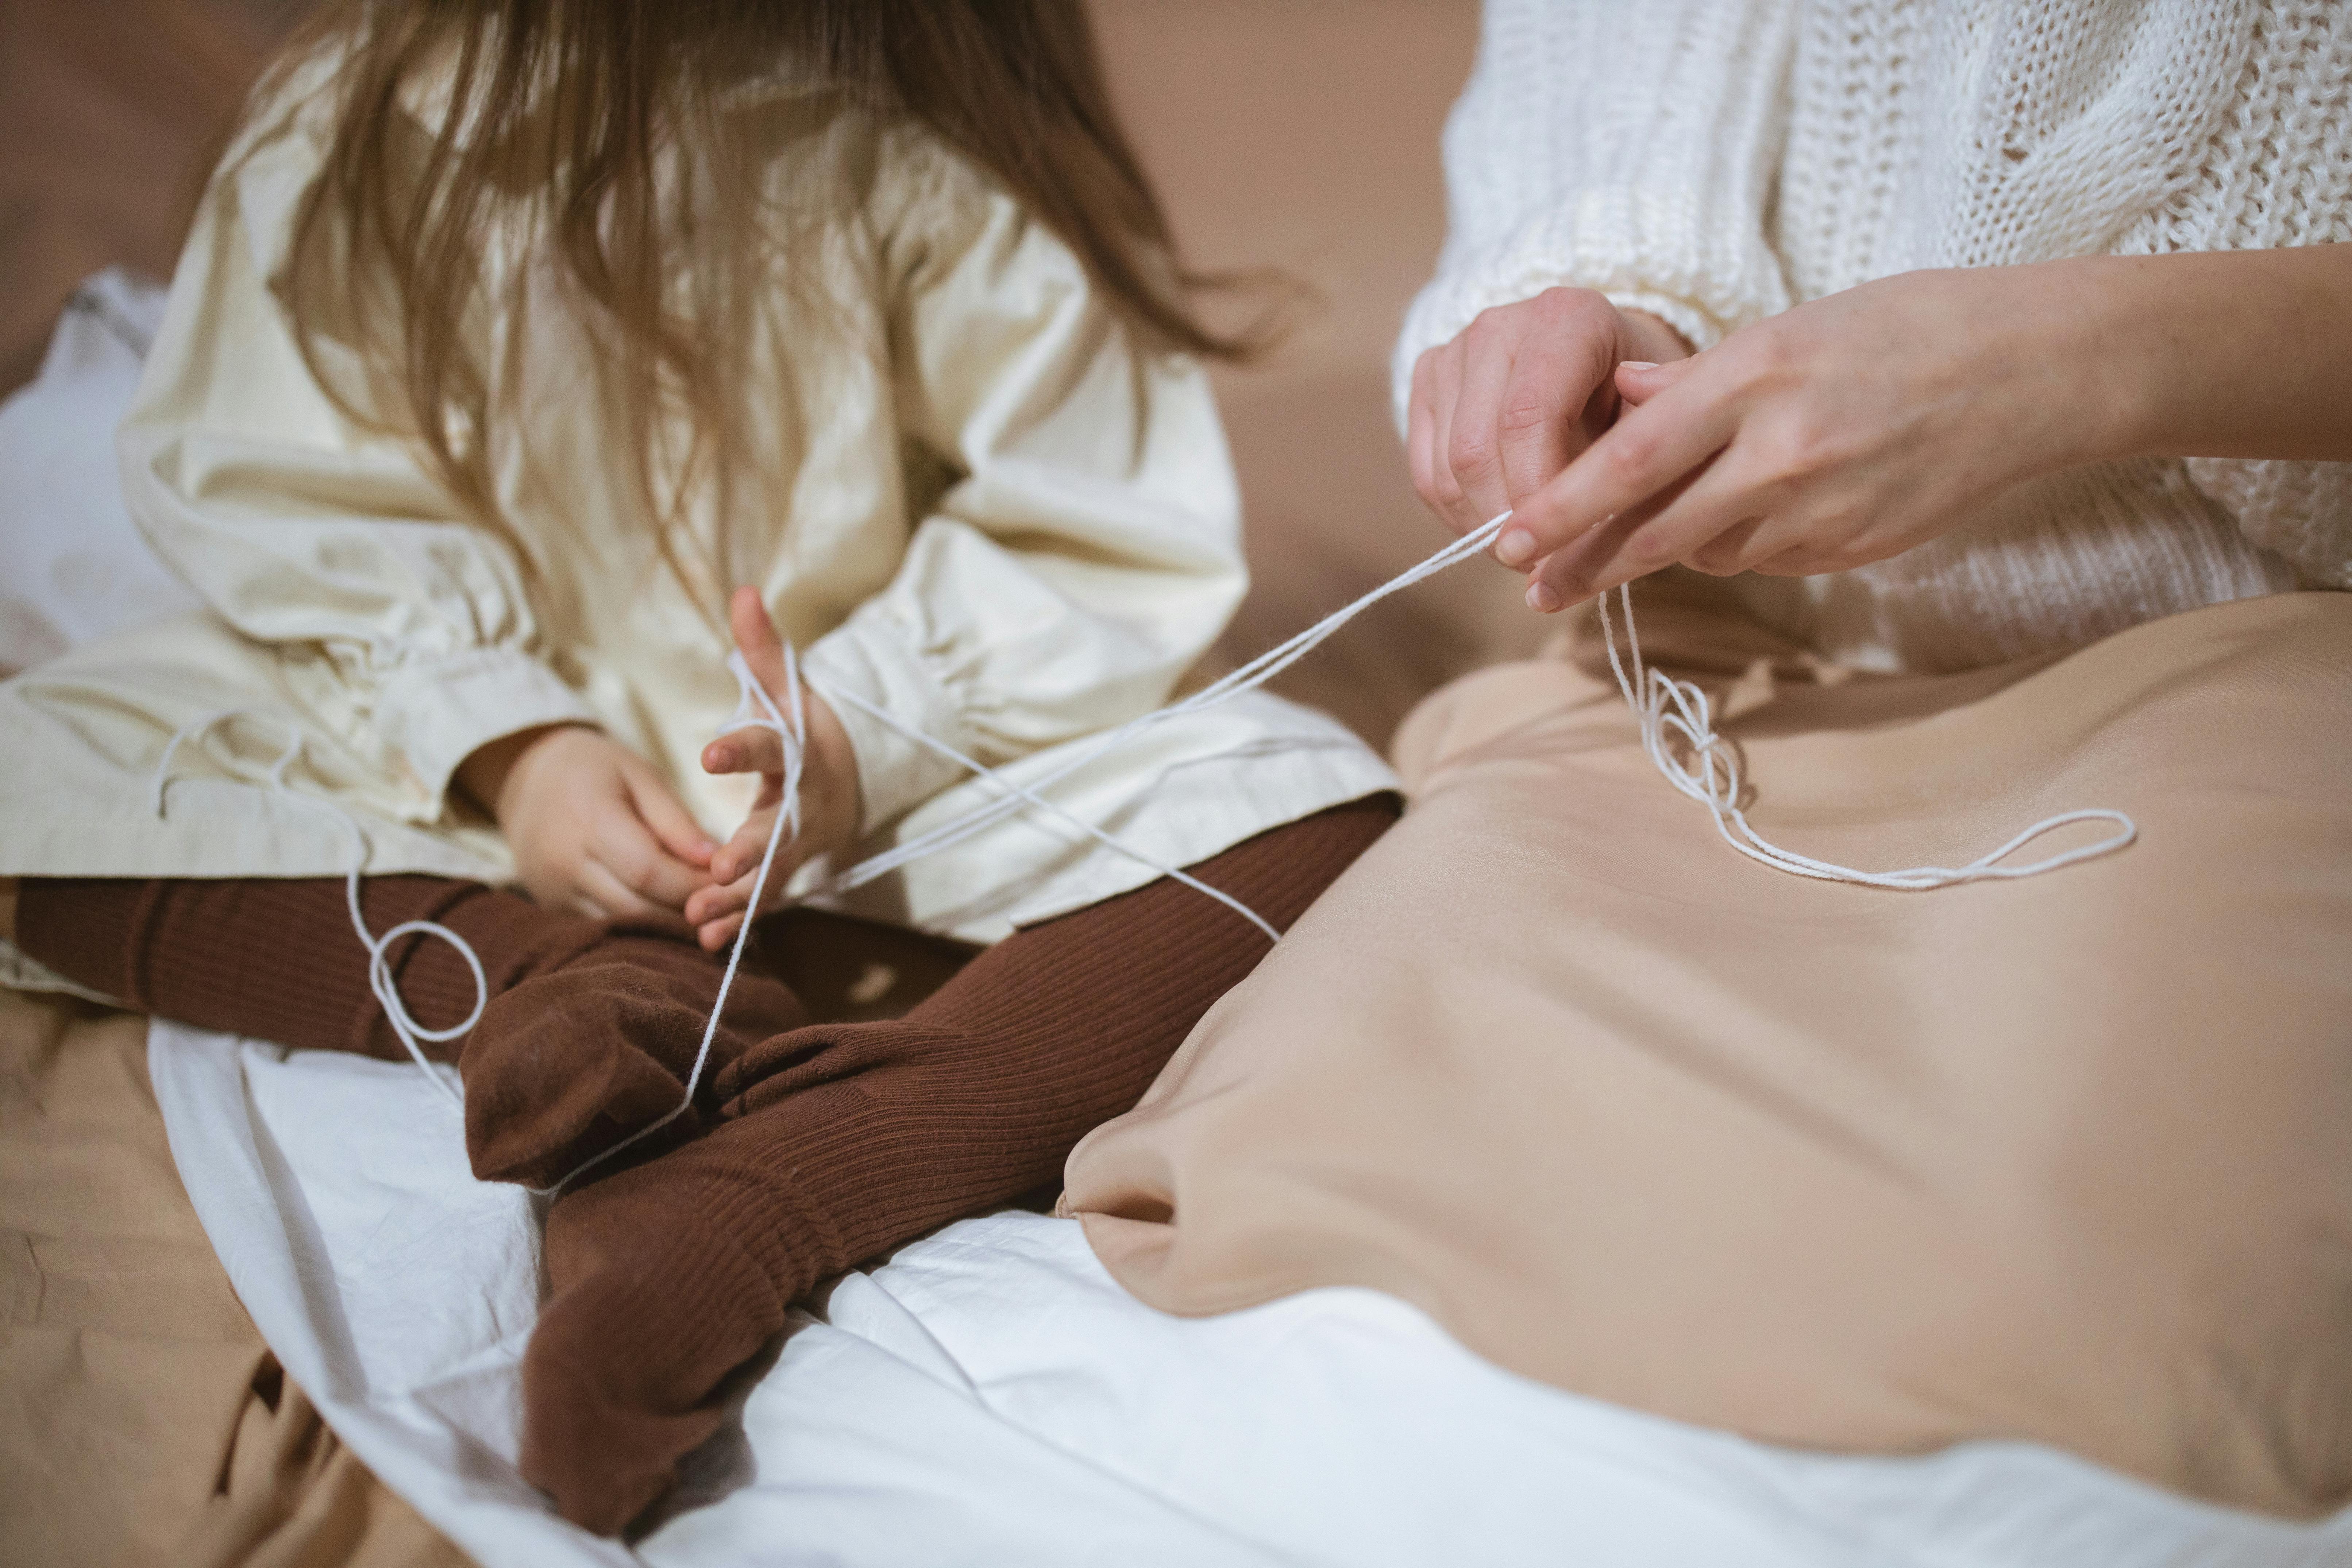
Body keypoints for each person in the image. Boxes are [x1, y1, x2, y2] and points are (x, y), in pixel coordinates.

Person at [0, 0, 1397, 1534]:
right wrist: (511, 743)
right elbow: (283, 483)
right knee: (45, 768)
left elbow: (1085, 520)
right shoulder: (367, 116)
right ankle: (563, 987)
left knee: (1313, 803)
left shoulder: (917, 127)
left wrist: (858, 725)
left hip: (858, 764)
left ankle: (790, 1169)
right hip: (451, 761)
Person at [1061, 0, 2352, 1522]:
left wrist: (2076, 359)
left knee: (2102, 1292)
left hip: (2275, 661)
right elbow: (1600, 117)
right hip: (1709, 669)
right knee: (1263, 1157)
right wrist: (1588, 315)